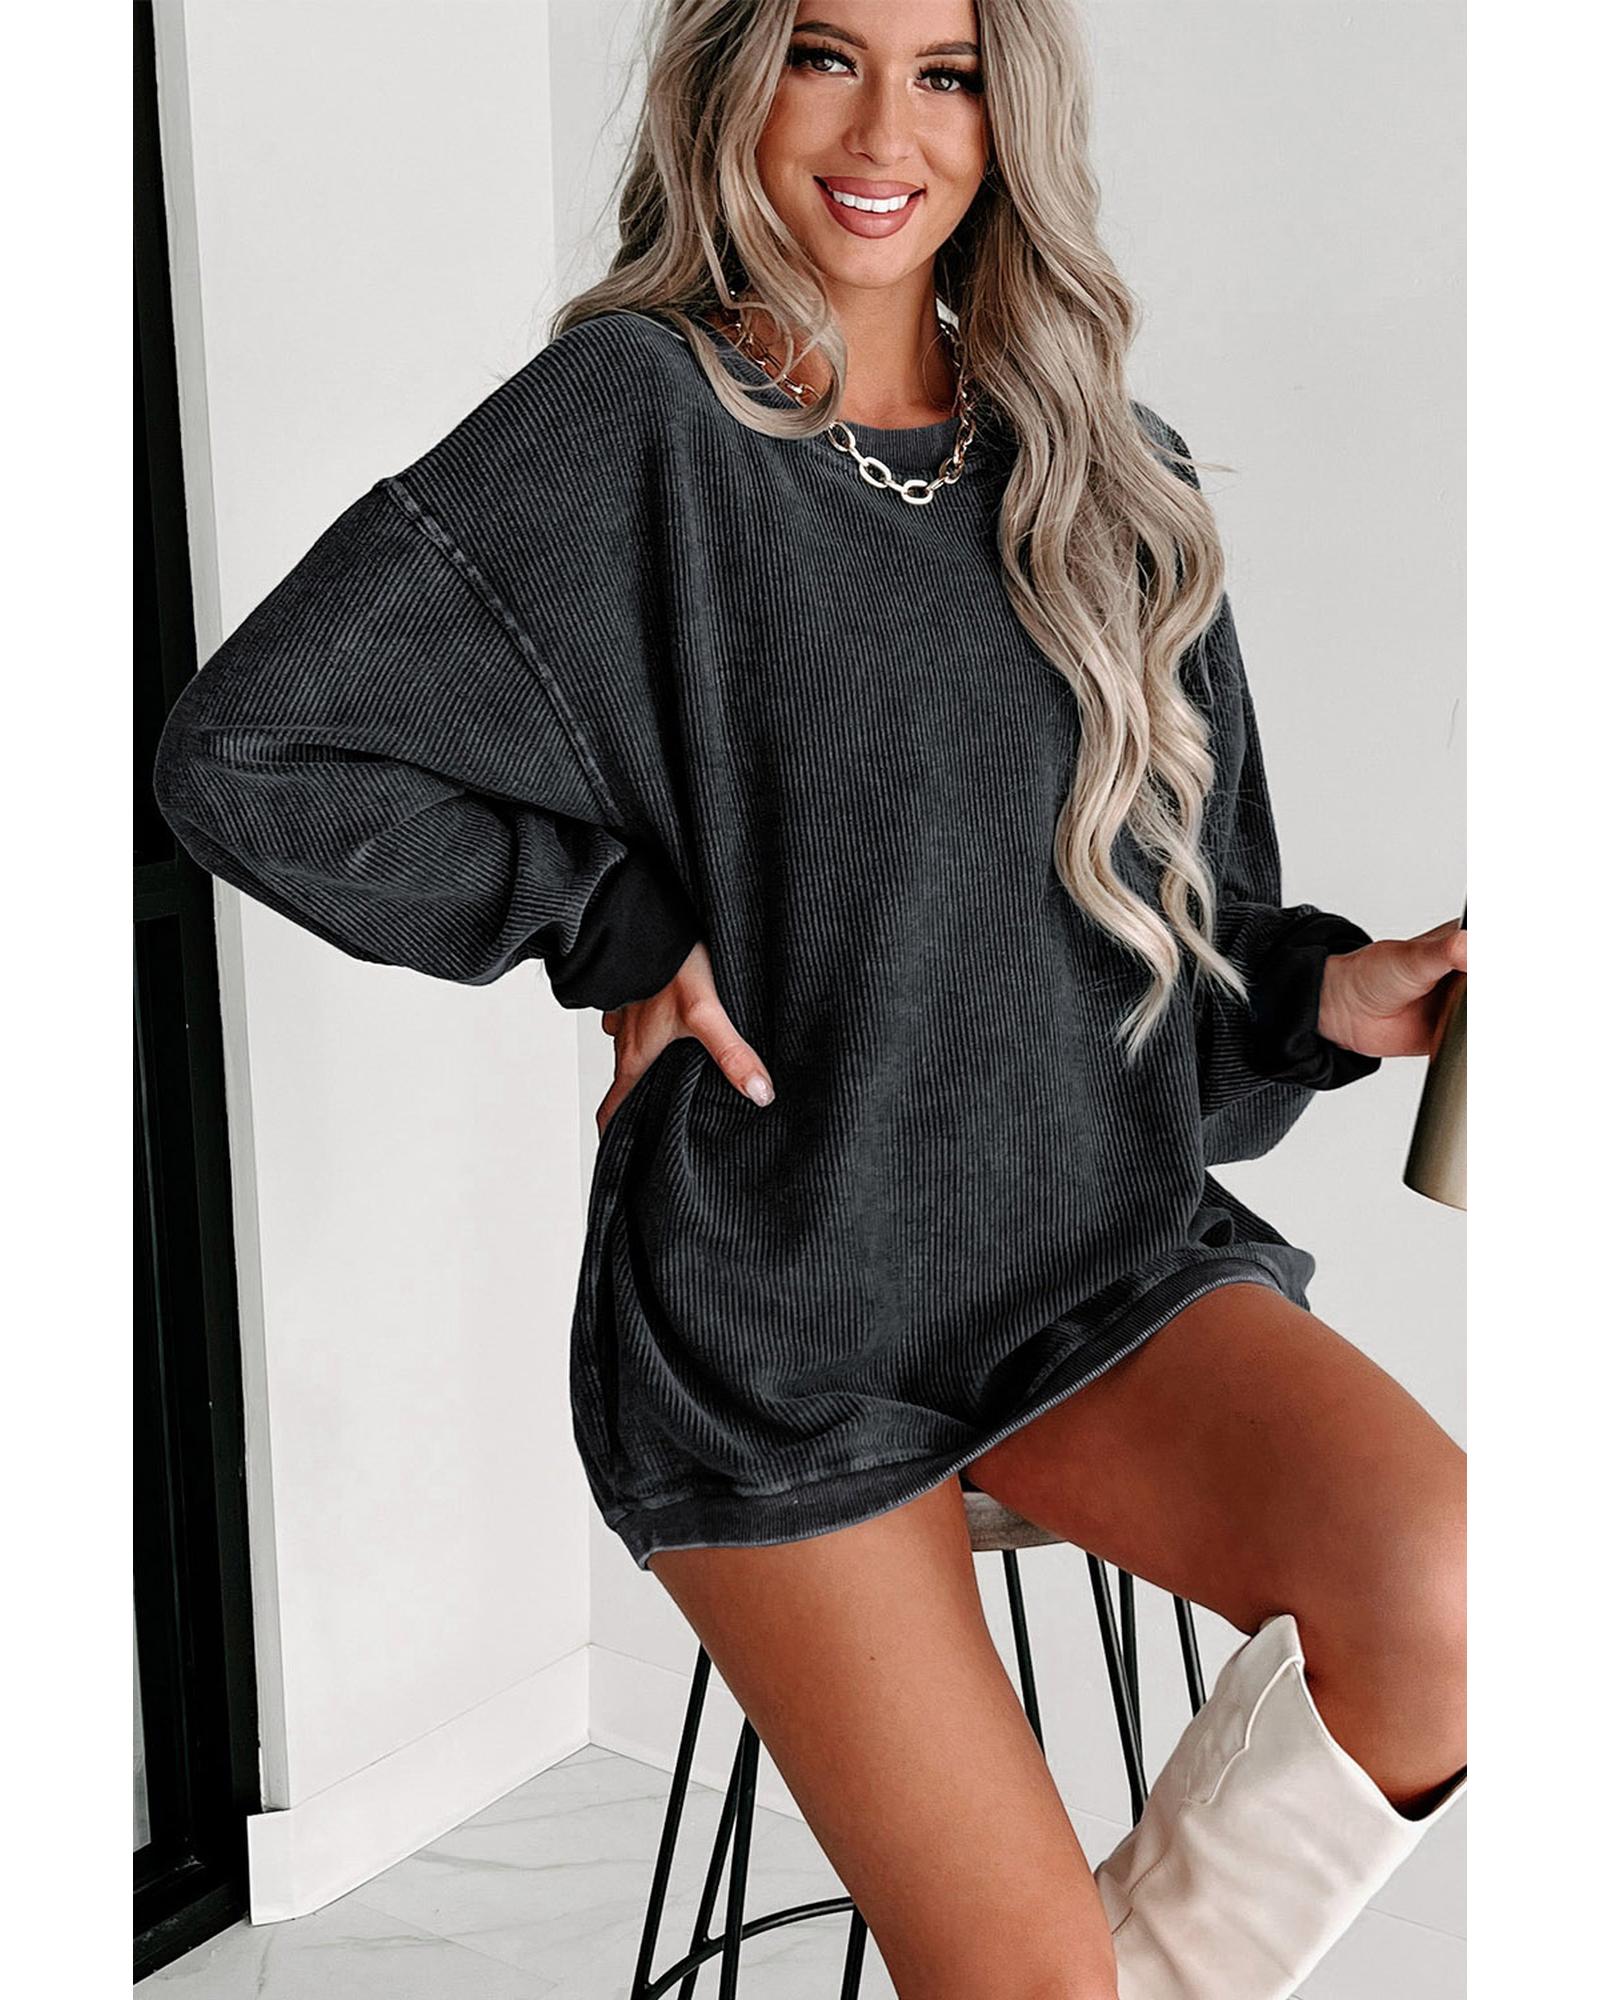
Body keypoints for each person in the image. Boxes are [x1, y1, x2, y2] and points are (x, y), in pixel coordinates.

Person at [151, 2, 1467, 1995]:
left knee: (1457, 1591)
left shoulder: (1115, 479)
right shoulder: (637, 418)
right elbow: (251, 752)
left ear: (1008, 117)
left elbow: (1195, 1029)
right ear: (733, 79)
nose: (881, 133)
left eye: (946, 73)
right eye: (823, 54)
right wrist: (603, 925)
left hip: (1093, 1266)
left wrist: (1330, 1002)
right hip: (779, 1309)